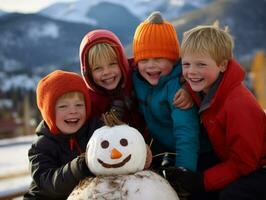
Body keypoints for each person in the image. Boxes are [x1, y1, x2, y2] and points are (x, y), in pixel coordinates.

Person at [166, 22, 266, 200]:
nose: (191, 72)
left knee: (230, 196)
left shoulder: (238, 104)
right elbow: (187, 77)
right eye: (186, 64)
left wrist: (202, 181)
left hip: (259, 167)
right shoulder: (204, 88)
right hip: (232, 160)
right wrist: (187, 90)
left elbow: (245, 162)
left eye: (201, 65)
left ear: (222, 65)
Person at [79, 29, 192, 139]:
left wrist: (187, 88)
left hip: (156, 140)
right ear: (87, 73)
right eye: (97, 68)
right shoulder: (91, 102)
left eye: (113, 64)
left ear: (122, 62)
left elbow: (175, 69)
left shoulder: (137, 72)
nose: (107, 72)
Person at [132, 11, 200, 175]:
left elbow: (186, 134)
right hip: (163, 149)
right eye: (144, 60)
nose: (151, 66)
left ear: (174, 60)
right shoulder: (137, 80)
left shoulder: (177, 89)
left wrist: (184, 171)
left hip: (194, 154)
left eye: (158, 59)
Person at [23, 70, 102, 200]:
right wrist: (78, 167)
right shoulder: (41, 146)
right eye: (63, 106)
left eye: (79, 105)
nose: (73, 111)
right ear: (49, 113)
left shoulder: (95, 130)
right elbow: (48, 183)